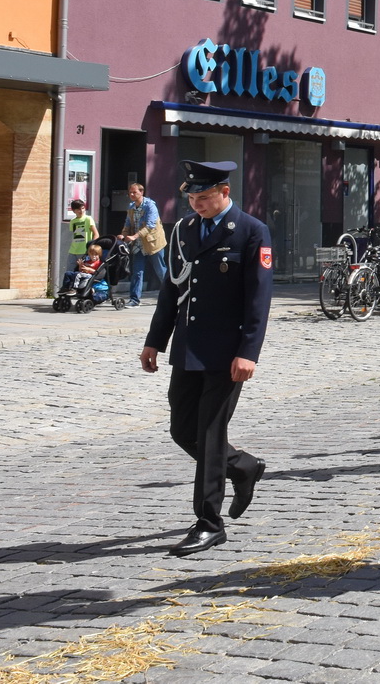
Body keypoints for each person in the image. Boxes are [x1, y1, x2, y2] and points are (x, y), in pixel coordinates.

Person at [139, 160, 272, 557]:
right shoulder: (184, 231)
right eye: (192, 198)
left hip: (227, 352)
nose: (197, 204)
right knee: (183, 430)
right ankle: (243, 467)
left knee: (211, 435)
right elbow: (171, 291)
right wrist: (155, 341)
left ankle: (209, 523)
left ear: (225, 193)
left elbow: (258, 299)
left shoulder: (251, 231)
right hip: (188, 347)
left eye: (205, 197)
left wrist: (248, 352)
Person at [118, 182, 166, 308]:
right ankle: (134, 300)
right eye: (130, 192)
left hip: (153, 243)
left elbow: (150, 225)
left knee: (160, 271)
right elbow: (128, 223)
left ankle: (173, 294)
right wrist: (123, 234)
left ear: (141, 192)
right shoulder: (131, 207)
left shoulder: (150, 206)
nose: (132, 194)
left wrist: (134, 236)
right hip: (138, 245)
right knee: (137, 272)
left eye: (134, 192)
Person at [66, 198, 99, 279]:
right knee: (69, 271)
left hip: (84, 250)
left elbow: (96, 234)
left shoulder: (88, 219)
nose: (81, 211)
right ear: (73, 211)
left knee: (82, 272)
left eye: (82, 208)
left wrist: (91, 247)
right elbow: (74, 235)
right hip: (73, 250)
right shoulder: (73, 221)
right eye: (78, 209)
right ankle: (69, 288)